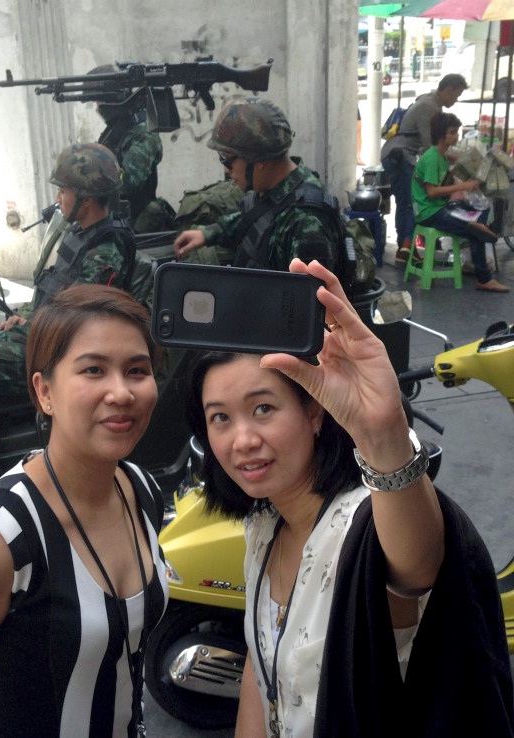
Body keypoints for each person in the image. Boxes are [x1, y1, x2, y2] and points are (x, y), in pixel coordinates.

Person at [185, 259, 514, 737]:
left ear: (315, 411)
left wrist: (383, 434)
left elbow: (416, 569)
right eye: (220, 418)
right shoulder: (263, 524)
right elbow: (261, 670)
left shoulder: (361, 526)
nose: (242, 440)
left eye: (263, 408)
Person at [0, 284, 168, 737]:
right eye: (93, 370)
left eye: (136, 370)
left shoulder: (140, 489)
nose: (121, 392)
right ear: (45, 392)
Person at [0, 143, 137, 516]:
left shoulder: (105, 249)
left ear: (85, 199)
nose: (59, 198)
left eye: (64, 191)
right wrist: (24, 318)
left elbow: (76, 321)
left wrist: (3, 337)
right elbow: (56, 299)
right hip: (39, 332)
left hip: (58, 350)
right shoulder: (80, 233)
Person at [173, 98, 342, 276]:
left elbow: (309, 299)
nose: (226, 169)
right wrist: (208, 233)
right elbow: (257, 218)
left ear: (259, 161)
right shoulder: (276, 189)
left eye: (228, 160)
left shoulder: (307, 222)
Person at [412, 112, 509, 293]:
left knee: (478, 208)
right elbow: (431, 192)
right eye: (452, 133)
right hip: (429, 213)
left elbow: (455, 165)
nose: (456, 136)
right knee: (476, 232)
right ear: (442, 135)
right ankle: (484, 278)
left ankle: (477, 229)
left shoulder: (441, 155)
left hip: (439, 208)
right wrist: (463, 186)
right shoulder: (433, 158)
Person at [381, 74, 468, 265]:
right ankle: (406, 247)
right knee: (412, 203)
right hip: (400, 155)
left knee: (405, 202)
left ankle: (405, 248)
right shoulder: (430, 107)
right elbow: (433, 146)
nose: (456, 99)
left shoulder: (428, 101)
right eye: (457, 95)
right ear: (449, 90)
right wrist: (460, 160)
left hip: (396, 153)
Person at [90, 64, 174, 233]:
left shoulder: (143, 133)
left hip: (137, 220)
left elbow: (128, 183)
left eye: (100, 101)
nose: (98, 106)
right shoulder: (117, 129)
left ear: (115, 100)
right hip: (115, 217)